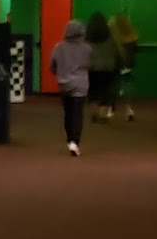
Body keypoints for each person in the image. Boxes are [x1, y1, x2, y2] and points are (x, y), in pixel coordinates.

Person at [51, 19, 91, 156]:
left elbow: (52, 65)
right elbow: (90, 65)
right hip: (81, 84)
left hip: (64, 84)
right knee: (77, 113)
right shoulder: (87, 49)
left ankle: (69, 140)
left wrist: (59, 73)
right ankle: (75, 141)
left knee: (68, 113)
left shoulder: (58, 47)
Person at [85, 11, 119, 122]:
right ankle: (103, 114)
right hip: (108, 67)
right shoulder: (111, 36)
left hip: (91, 67)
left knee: (93, 91)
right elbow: (116, 50)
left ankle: (94, 114)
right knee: (105, 91)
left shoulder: (87, 37)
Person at [110, 12, 139, 122]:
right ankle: (129, 109)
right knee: (127, 86)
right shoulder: (132, 36)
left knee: (112, 86)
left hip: (115, 64)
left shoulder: (114, 37)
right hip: (128, 65)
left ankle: (111, 110)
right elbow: (134, 51)